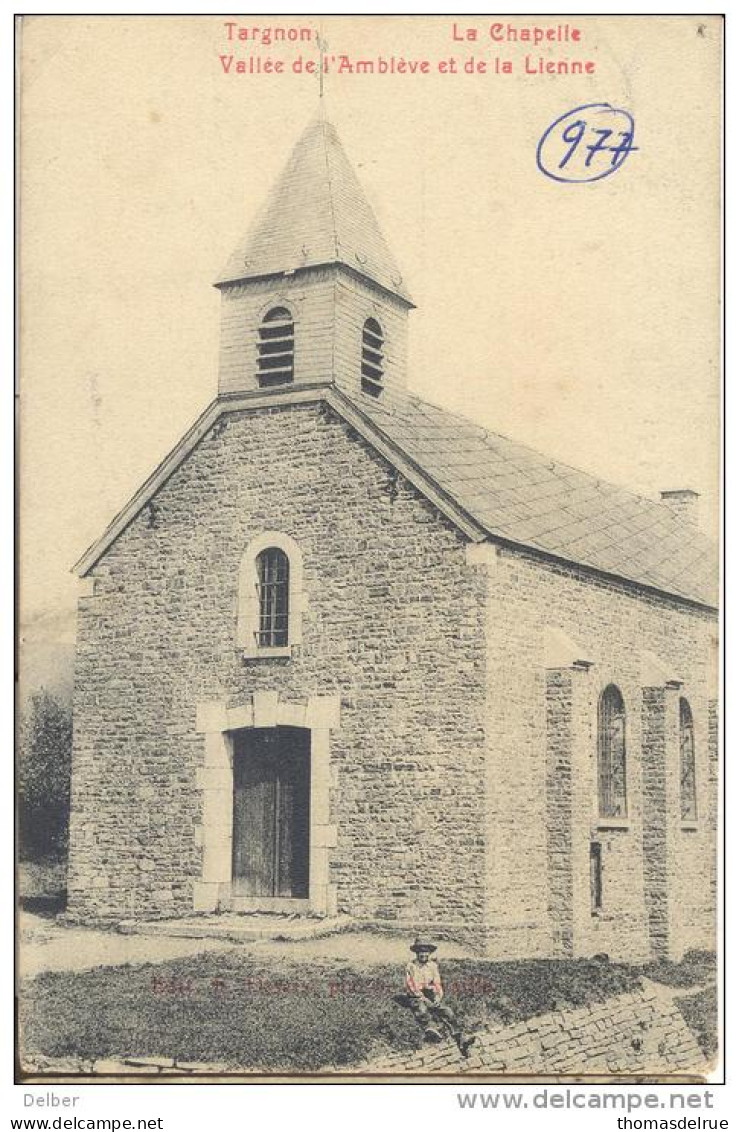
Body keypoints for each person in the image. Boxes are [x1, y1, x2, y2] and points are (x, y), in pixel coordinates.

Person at [404, 937, 476, 1057]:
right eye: (421, 951)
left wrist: (438, 997)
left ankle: (461, 1038)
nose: (423, 954)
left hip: (430, 994)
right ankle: (430, 1030)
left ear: (429, 953)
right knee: (421, 1009)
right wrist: (423, 998)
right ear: (416, 953)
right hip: (416, 996)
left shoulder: (432, 965)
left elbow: (437, 983)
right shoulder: (411, 966)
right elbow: (412, 986)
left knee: (447, 1012)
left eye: (426, 951)